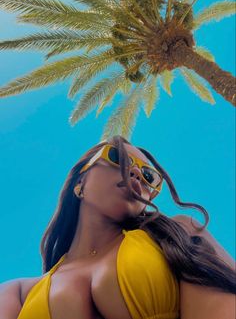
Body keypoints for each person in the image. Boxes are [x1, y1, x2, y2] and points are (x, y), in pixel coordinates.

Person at [0, 135, 235, 319]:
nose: (136, 174)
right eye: (117, 158)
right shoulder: (17, 293)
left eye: (149, 177)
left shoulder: (176, 235)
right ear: (79, 183)